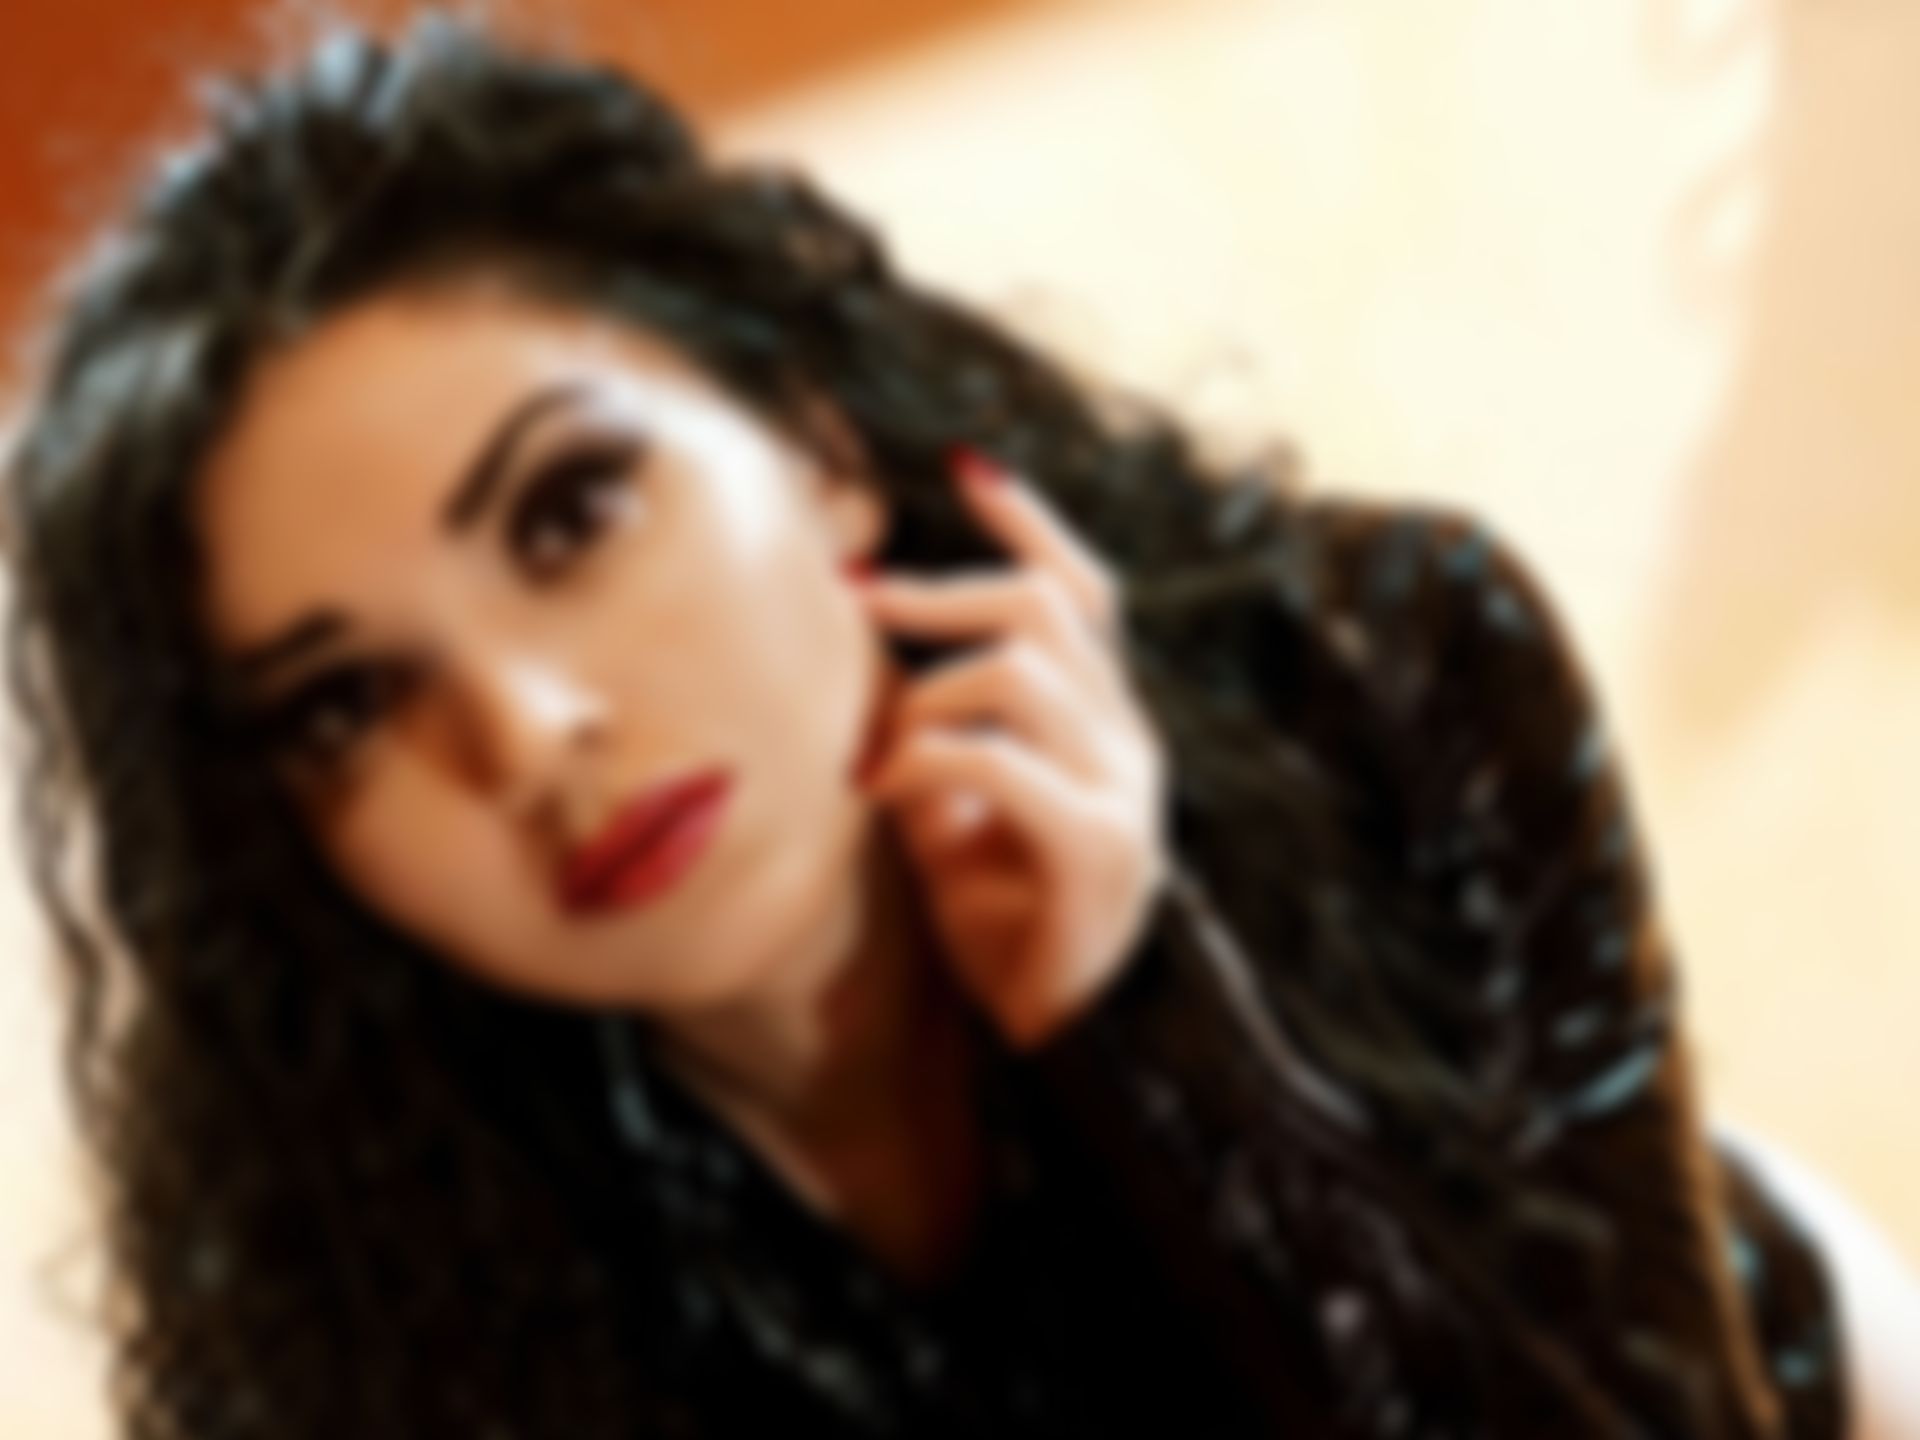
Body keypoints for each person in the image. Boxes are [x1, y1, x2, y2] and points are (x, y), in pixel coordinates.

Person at [2, 14, 1906, 1438]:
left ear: (815, 444)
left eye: (570, 515)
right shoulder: (383, 1275)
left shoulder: (1375, 672)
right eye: (345, 703)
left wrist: (1147, 1018)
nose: (524, 732)